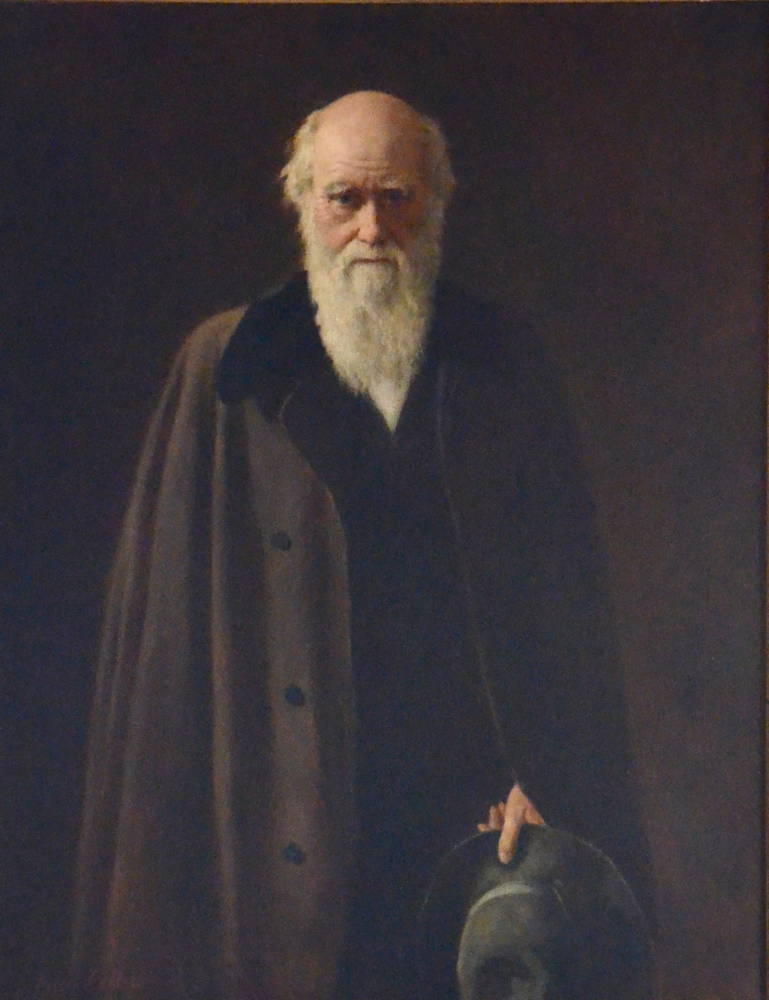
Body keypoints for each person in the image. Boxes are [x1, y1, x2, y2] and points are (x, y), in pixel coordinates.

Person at [70, 91, 649, 1000]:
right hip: (280, 829)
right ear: (303, 204)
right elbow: (166, 665)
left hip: (473, 830)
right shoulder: (227, 368)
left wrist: (547, 776)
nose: (372, 229)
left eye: (397, 198)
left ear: (434, 204)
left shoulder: (502, 363)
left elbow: (567, 619)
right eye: (345, 198)